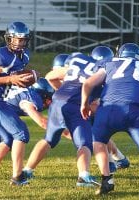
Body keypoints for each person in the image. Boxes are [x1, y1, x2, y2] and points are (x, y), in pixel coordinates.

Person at [80, 43, 139, 199]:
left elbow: (88, 83)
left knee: (98, 140)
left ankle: (107, 179)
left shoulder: (109, 63)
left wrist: (84, 104)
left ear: (118, 54)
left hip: (108, 109)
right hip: (136, 111)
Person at [22, 47, 115, 187]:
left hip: (58, 101)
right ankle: (83, 176)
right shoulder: (106, 73)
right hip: (76, 106)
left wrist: (62, 91)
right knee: (84, 143)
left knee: (48, 139)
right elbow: (96, 105)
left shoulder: (80, 60)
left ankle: (26, 170)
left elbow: (50, 77)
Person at [0, 21, 35, 185]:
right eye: (15, 39)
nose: (18, 43)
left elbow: (17, 76)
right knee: (21, 134)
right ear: (8, 38)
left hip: (1, 100)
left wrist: (30, 77)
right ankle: (17, 177)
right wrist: (11, 78)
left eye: (22, 40)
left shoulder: (25, 55)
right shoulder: (0, 55)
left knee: (10, 140)